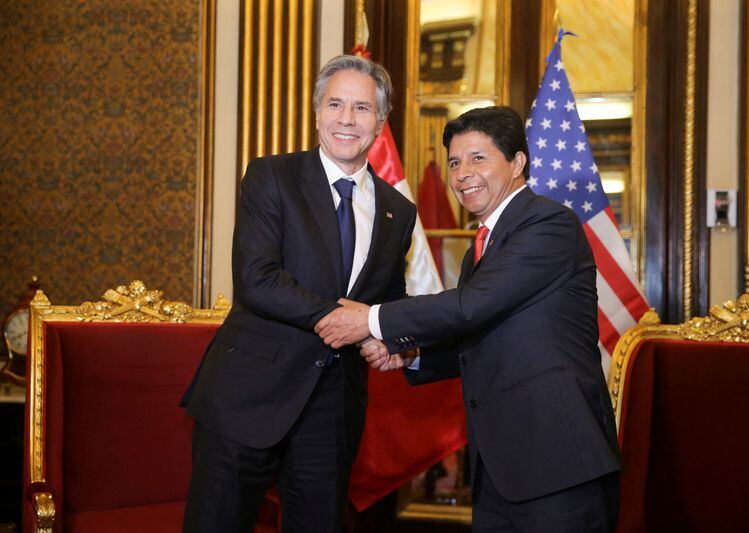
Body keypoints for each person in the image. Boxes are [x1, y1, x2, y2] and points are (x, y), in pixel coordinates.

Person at [316, 106, 621, 532]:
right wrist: (414, 354)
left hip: (557, 461)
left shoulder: (548, 224)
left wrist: (372, 319)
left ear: (517, 163)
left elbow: (470, 306)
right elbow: (482, 334)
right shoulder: (485, 245)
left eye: (479, 158)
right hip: (500, 466)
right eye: (455, 162)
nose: (462, 175)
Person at [180, 55, 417, 533]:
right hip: (248, 396)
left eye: (362, 108)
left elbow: (387, 301)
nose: (347, 119)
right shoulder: (271, 177)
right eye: (335, 104)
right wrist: (350, 321)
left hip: (333, 409)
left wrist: (392, 334)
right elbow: (257, 277)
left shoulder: (398, 211)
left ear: (381, 121)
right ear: (316, 112)